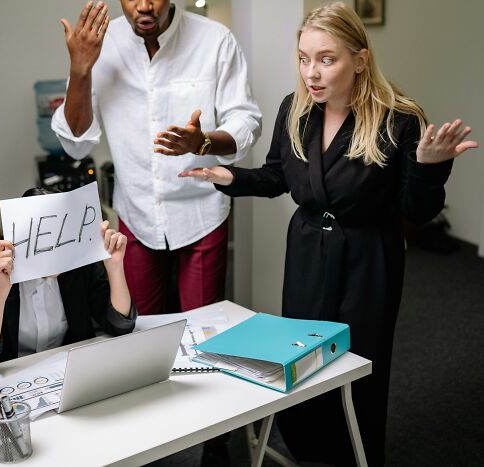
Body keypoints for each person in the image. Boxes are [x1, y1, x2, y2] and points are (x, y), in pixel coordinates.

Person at [179, 3, 478, 466]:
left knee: (358, 369)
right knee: (301, 360)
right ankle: (308, 452)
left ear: (359, 59)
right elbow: (278, 175)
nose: (311, 73)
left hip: (368, 261)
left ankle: (356, 456)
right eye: (303, 58)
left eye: (326, 59)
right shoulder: (296, 110)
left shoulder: (399, 119)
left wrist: (430, 168)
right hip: (306, 254)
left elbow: (418, 212)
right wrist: (231, 178)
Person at [51, 0, 262, 316]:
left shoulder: (214, 40)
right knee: (141, 330)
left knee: (205, 332)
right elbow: (76, 144)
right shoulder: (101, 44)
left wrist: (203, 142)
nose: (145, 6)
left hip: (201, 214)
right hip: (136, 215)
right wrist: (80, 69)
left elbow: (245, 120)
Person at [0, 188, 137, 367]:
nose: (54, 249)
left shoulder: (80, 261)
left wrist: (115, 268)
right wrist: (0, 292)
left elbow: (120, 326)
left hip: (67, 369)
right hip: (8, 374)